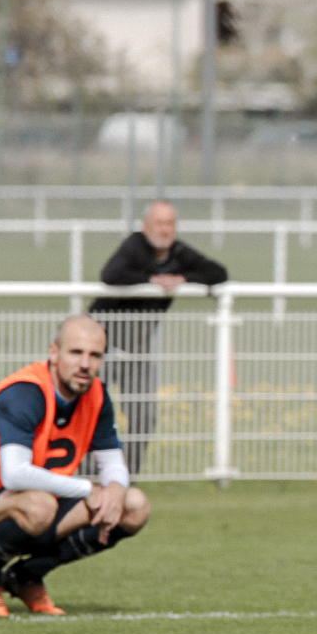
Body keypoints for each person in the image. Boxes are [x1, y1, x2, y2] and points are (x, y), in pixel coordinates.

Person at [0, 315, 152, 617]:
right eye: (76, 352)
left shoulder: (95, 395)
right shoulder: (25, 393)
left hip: (43, 505)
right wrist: (88, 490)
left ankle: (26, 575)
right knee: (39, 505)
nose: (85, 364)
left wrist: (116, 491)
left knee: (135, 505)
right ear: (54, 353)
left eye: (95, 355)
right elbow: (14, 475)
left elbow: (112, 462)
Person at [90, 200, 228, 474]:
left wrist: (182, 278)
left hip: (139, 346)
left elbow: (218, 273)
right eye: (159, 223)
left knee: (143, 417)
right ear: (145, 226)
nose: (165, 230)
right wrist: (152, 280)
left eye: (170, 223)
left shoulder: (178, 253)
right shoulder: (134, 246)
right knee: (88, 410)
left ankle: (124, 478)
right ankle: (83, 473)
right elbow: (111, 274)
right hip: (101, 342)